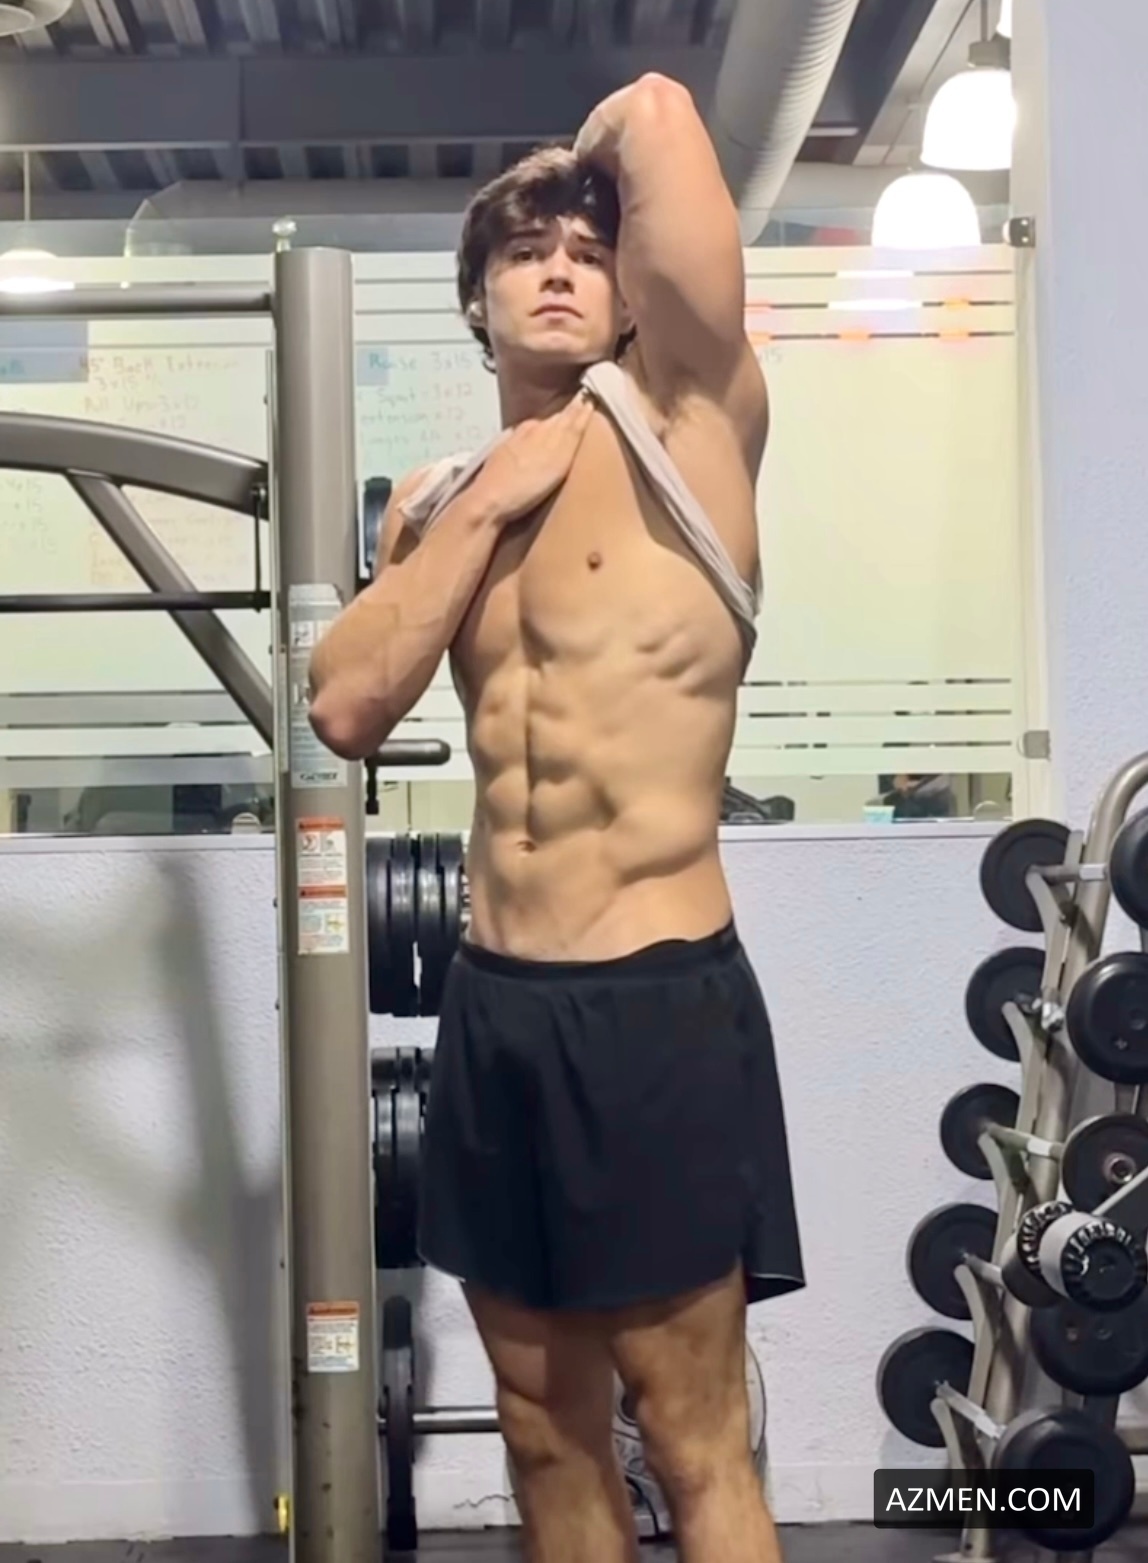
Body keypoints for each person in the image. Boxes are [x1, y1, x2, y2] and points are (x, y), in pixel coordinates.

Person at [308, 73, 805, 1563]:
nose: (560, 270)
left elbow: (655, 109)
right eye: (525, 252)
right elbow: (344, 706)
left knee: (693, 1433)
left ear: (636, 288)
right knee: (538, 1425)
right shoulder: (438, 499)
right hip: (497, 1005)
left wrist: (569, 172)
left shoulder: (692, 425)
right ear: (478, 302)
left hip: (654, 998)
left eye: (590, 251)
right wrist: (480, 510)